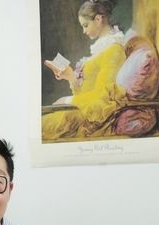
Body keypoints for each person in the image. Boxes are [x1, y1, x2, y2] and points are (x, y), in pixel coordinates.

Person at [42, 0, 127, 141]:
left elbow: (102, 99)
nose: (84, 31)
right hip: (83, 111)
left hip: (92, 118)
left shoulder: (114, 50)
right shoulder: (102, 48)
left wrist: (67, 100)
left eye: (85, 25)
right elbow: (87, 93)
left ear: (98, 19)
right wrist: (70, 77)